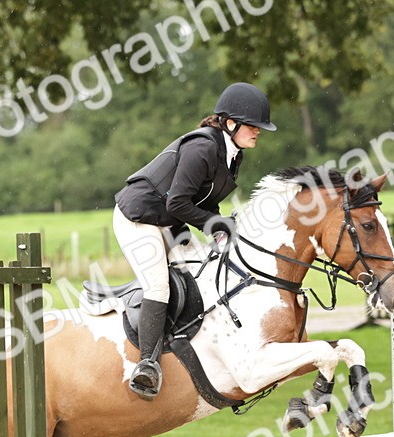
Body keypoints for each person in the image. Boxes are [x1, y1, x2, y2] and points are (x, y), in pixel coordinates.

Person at [113, 82, 276, 400]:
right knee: (158, 286)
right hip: (139, 218)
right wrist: (216, 223)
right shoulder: (203, 148)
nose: (258, 132)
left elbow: (203, 200)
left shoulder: (231, 154)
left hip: (169, 221)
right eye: (254, 126)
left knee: (201, 268)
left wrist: (218, 227)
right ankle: (147, 365)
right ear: (231, 123)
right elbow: (177, 204)